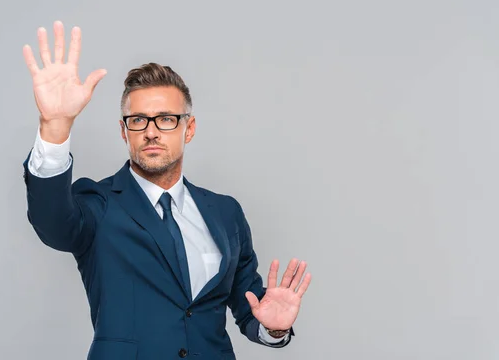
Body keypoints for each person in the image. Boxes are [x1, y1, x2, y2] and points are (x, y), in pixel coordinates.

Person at [21, 20, 311, 360]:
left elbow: (249, 308)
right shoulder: (98, 205)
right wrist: (54, 128)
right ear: (124, 131)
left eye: (166, 119)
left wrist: (273, 327)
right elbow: (52, 221)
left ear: (188, 129)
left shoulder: (225, 213)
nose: (152, 131)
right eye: (139, 120)